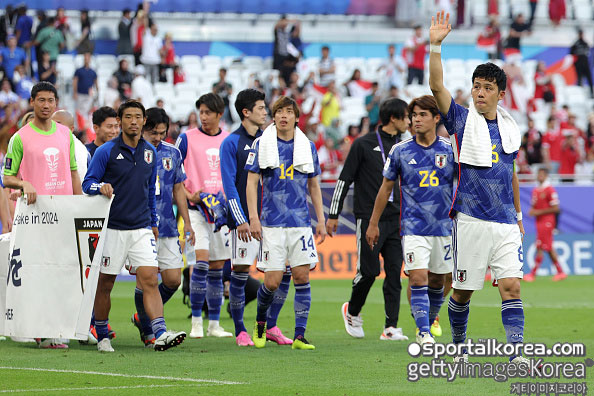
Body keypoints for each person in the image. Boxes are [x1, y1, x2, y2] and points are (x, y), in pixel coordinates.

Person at [429, 11, 527, 364]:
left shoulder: (510, 129)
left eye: (488, 88)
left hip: (504, 222)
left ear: (500, 94)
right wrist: (435, 46)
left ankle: (516, 354)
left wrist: (518, 216)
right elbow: (436, 87)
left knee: (511, 287)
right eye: (477, 86)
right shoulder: (461, 120)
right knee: (463, 292)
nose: (480, 92)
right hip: (469, 219)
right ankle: (458, 346)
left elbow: (511, 172)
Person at [83, 100, 186, 352]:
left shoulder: (150, 152)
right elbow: (88, 183)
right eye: (128, 116)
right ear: (120, 121)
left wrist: (152, 223)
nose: (133, 121)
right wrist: (101, 187)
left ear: (143, 120)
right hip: (113, 228)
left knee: (150, 279)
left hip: (141, 228)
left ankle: (159, 332)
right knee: (105, 283)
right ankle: (103, 333)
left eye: (137, 117)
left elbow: (150, 192)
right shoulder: (105, 151)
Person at [366, 95, 454, 345]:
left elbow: (464, 185)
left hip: (444, 228)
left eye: (422, 115)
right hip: (414, 227)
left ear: (436, 118)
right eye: (413, 115)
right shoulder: (400, 151)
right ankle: (423, 331)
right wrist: (373, 223)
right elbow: (385, 189)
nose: (416, 119)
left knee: (439, 280)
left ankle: (431, 316)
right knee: (417, 278)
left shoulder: (449, 150)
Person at [2, 82, 82, 349]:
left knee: (62, 271)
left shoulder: (66, 135)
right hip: (35, 215)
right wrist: (23, 184)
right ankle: (41, 329)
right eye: (41, 100)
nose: (46, 105)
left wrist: (80, 204)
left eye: (51, 100)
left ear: (56, 103)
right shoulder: (20, 137)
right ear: (32, 102)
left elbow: (72, 172)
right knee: (38, 272)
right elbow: (7, 177)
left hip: (63, 213)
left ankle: (55, 327)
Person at [246, 96, 326, 350]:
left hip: (300, 222)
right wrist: (253, 218)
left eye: (288, 111)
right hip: (271, 223)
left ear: (295, 116)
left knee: (302, 276)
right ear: (274, 116)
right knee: (271, 281)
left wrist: (321, 220)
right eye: (279, 111)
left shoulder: (307, 146)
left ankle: (300, 336)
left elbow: (313, 184)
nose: (283, 116)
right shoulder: (262, 144)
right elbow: (251, 183)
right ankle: (261, 324)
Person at [327, 98, 409, 341]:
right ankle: (352, 310)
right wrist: (333, 214)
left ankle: (391, 327)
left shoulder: (404, 146)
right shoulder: (363, 144)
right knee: (369, 272)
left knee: (395, 273)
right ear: (393, 118)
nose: (409, 121)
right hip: (368, 219)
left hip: (396, 219)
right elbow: (344, 179)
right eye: (405, 116)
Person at [220, 88, 293, 347]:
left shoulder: (270, 141)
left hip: (273, 220)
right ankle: (240, 330)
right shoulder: (231, 143)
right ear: (246, 112)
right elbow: (229, 186)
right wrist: (241, 219)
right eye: (262, 108)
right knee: (240, 272)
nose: (266, 112)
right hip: (245, 222)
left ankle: (270, 325)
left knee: (284, 273)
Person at [131, 107, 195, 347]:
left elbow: (179, 188)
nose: (157, 137)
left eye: (161, 133)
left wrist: (187, 222)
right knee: (145, 279)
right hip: (140, 226)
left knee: (172, 281)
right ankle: (151, 331)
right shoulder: (134, 151)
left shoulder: (173, 152)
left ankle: (142, 317)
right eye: (153, 132)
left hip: (168, 226)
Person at [175, 93, 233, 339]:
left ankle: (214, 324)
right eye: (201, 112)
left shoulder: (229, 140)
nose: (204, 117)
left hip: (220, 213)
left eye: (209, 112)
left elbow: (234, 175)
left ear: (220, 114)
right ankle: (196, 322)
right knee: (200, 263)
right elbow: (173, 173)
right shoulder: (186, 138)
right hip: (195, 210)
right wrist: (189, 195)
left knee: (218, 267)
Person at [524, 167, 566, 282]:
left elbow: (556, 208)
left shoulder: (550, 190)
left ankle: (533, 274)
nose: (539, 176)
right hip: (539, 221)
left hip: (547, 221)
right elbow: (534, 206)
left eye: (542, 174)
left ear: (546, 176)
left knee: (542, 245)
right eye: (538, 174)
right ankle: (560, 272)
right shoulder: (536, 190)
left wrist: (538, 212)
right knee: (545, 246)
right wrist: (533, 211)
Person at [51, 109, 91, 181]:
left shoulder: (79, 150)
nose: (54, 127)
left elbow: (79, 180)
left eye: (58, 124)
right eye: (51, 124)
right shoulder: (52, 143)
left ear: (71, 129)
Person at [73, 52, 98, 118]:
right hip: (80, 93)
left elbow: (96, 83)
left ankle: (85, 125)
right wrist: (75, 92)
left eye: (88, 58)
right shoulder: (79, 71)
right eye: (85, 57)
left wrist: (96, 93)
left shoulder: (93, 72)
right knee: (79, 110)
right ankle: (79, 126)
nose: (86, 59)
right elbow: (75, 81)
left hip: (89, 94)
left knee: (87, 110)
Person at [570, 30, 593, 98]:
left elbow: (588, 53)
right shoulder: (575, 44)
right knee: (579, 79)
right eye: (580, 34)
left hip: (586, 65)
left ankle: (591, 93)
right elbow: (571, 54)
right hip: (579, 65)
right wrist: (575, 64)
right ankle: (579, 96)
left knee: (589, 79)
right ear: (579, 34)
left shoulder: (585, 43)